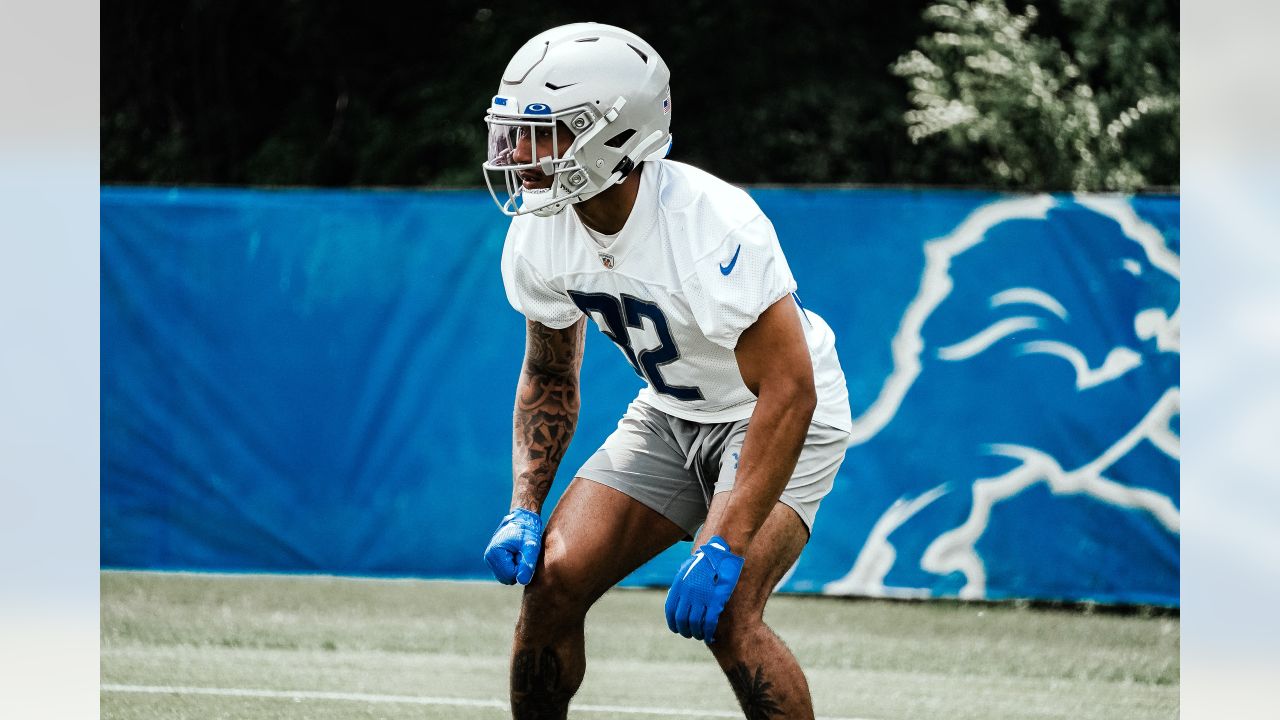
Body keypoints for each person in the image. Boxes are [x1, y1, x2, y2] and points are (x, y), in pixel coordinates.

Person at [480, 22, 852, 720]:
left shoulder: (712, 225)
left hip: (773, 410)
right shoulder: (538, 228)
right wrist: (523, 508)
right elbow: (551, 375)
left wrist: (724, 544)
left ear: (618, 136)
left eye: (548, 132)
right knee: (553, 579)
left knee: (730, 612)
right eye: (515, 132)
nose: (521, 154)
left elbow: (790, 388)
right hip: (672, 411)